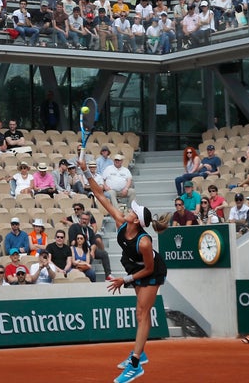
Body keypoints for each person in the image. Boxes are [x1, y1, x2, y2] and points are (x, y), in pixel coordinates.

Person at [83, 159, 165, 383]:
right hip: (135, 267)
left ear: (136, 221)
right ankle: (141, 352)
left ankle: (136, 364)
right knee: (140, 313)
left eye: (132, 211)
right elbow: (100, 195)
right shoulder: (121, 222)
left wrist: (125, 279)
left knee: (143, 313)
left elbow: (149, 268)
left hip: (151, 271)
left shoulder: (144, 242)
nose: (128, 210)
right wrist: (85, 171)